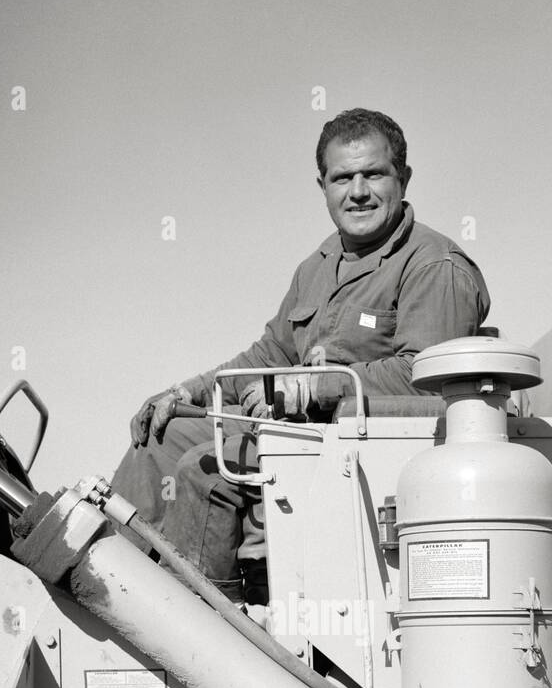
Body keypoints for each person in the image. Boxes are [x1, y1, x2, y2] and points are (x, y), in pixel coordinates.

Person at [113, 107, 491, 603]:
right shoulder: (317, 265)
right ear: (323, 186)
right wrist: (188, 391)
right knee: (159, 438)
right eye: (342, 178)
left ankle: (199, 621)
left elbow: (427, 380)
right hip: (298, 429)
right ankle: (111, 583)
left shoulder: (434, 265)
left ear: (404, 178)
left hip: (358, 448)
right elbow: (268, 352)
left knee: (205, 467)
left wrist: (317, 387)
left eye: (373, 174)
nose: (357, 192)